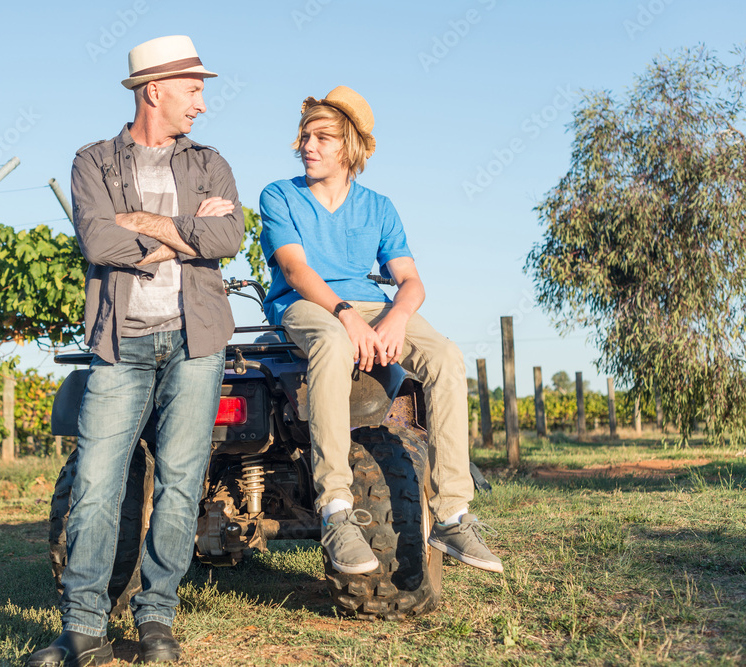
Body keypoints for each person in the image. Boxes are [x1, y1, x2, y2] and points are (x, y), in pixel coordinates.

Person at [27, 35, 244, 667]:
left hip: (195, 340)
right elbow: (98, 241)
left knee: (180, 485)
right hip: (121, 344)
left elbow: (227, 234)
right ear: (156, 90)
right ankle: (84, 628)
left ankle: (156, 620)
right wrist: (183, 235)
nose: (201, 103)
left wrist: (142, 224)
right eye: (193, 89)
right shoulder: (92, 160)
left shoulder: (210, 161)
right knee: (96, 482)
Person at [258, 86, 502, 578]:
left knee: (446, 357)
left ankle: (453, 513)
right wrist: (346, 313)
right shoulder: (280, 195)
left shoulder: (379, 206)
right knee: (330, 342)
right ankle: (335, 510)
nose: (309, 145)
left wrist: (393, 318)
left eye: (322, 137)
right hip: (307, 304)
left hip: (372, 306)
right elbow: (295, 269)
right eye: (305, 135)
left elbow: (411, 281)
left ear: (349, 147)